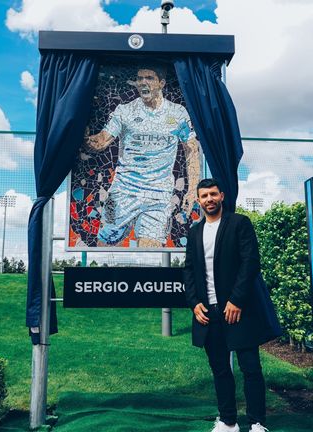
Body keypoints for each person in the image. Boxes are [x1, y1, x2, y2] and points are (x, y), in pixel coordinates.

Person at [183, 178, 271, 432]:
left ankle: (257, 423)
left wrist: (236, 300)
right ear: (198, 201)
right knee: (220, 369)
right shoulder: (194, 232)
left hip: (237, 311)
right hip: (208, 313)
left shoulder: (239, 224)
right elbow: (189, 270)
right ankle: (228, 421)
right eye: (204, 196)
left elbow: (250, 262)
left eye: (213, 194)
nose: (209, 199)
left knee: (250, 368)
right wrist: (194, 303)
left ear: (221, 196)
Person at [87, 64, 200, 248]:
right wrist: (84, 138)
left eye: (149, 78)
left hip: (158, 195)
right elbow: (102, 141)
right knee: (104, 248)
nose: (143, 82)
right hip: (123, 192)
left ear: (161, 83)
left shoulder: (177, 113)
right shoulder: (125, 111)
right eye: (139, 79)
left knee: (150, 253)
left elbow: (191, 149)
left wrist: (192, 188)